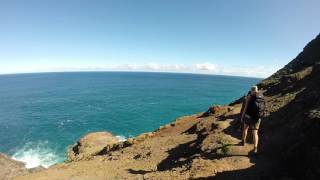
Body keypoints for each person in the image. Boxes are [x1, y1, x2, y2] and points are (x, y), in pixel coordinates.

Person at [240, 85, 264, 154]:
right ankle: (255, 148)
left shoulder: (249, 97)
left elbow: (245, 108)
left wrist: (242, 117)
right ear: (257, 90)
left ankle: (243, 141)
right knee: (255, 133)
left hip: (248, 116)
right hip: (257, 117)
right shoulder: (261, 96)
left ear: (251, 90)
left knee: (245, 128)